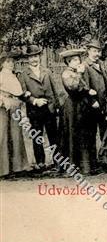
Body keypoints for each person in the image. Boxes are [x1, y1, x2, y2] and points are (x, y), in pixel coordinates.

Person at [17, 44, 60, 170]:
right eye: (31, 57)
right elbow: (22, 94)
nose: (34, 59)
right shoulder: (24, 75)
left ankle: (57, 162)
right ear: (27, 59)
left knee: (53, 136)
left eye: (36, 56)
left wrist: (56, 106)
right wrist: (34, 100)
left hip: (50, 108)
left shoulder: (47, 71)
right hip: (35, 110)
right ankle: (40, 163)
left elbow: (55, 89)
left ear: (39, 57)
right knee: (37, 136)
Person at [58, 48, 100, 175]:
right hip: (72, 108)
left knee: (84, 135)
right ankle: (72, 166)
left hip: (81, 107)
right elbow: (73, 88)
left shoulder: (77, 72)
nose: (77, 62)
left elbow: (84, 88)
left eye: (78, 59)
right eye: (74, 60)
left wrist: (89, 93)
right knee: (72, 135)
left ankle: (86, 166)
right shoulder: (66, 73)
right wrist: (80, 75)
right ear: (68, 62)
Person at [0, 49, 31, 178]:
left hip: (15, 105)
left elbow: (18, 91)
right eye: (8, 62)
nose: (11, 64)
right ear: (2, 63)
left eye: (12, 61)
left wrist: (25, 95)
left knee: (16, 135)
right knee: (2, 135)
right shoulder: (1, 75)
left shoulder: (15, 76)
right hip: (3, 106)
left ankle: (18, 167)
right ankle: (3, 169)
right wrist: (2, 100)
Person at [83, 39, 107, 141]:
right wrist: (92, 101)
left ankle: (106, 155)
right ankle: (92, 157)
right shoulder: (85, 65)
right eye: (94, 51)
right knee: (91, 133)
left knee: (105, 131)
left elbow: (106, 81)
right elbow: (84, 86)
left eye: (98, 51)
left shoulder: (101, 63)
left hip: (103, 102)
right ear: (88, 51)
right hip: (92, 104)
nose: (97, 54)